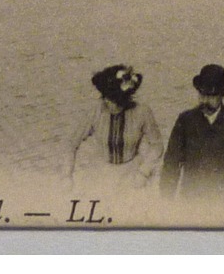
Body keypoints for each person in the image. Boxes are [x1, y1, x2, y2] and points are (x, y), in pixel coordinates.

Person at [160, 64, 224, 204]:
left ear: (222, 95)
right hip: (191, 201)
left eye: (211, 96)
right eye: (202, 94)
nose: (205, 101)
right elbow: (171, 163)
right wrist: (165, 202)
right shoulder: (185, 120)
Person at [66, 64, 163, 193]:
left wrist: (144, 171)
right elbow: (71, 144)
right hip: (102, 173)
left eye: (117, 101)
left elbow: (157, 145)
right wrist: (66, 176)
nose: (112, 105)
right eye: (108, 100)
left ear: (127, 98)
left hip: (133, 173)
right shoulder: (96, 111)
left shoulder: (142, 112)